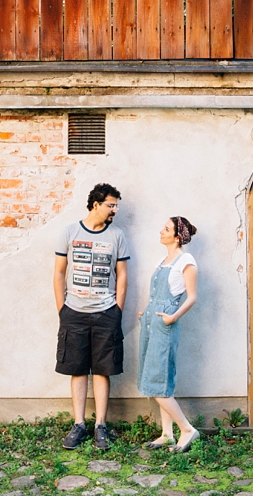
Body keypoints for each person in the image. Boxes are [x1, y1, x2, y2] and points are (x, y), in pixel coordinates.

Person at [53, 183, 129, 451]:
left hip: (106, 312)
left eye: (116, 205)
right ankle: (79, 425)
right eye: (111, 205)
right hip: (74, 312)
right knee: (77, 369)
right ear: (95, 204)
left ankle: (100, 426)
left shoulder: (117, 235)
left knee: (103, 370)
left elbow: (122, 276)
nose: (114, 210)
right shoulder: (69, 232)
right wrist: (63, 308)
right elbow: (59, 272)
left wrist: (117, 309)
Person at [137, 216, 200, 452]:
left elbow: (191, 296)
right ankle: (167, 434)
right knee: (157, 378)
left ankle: (186, 429)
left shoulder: (187, 260)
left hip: (165, 325)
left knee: (157, 379)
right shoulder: (163, 260)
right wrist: (148, 311)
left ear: (177, 236)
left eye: (166, 229)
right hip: (152, 322)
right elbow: (158, 295)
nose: (160, 231)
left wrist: (172, 317)